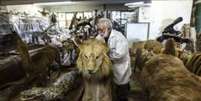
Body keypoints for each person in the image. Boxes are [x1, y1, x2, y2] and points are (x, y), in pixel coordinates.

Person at [96, 18, 132, 101]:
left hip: (120, 65)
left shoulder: (119, 37)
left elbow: (119, 54)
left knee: (121, 87)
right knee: (111, 85)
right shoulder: (99, 37)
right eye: (98, 30)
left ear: (108, 28)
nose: (99, 32)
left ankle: (123, 96)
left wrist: (105, 55)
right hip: (109, 65)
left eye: (102, 29)